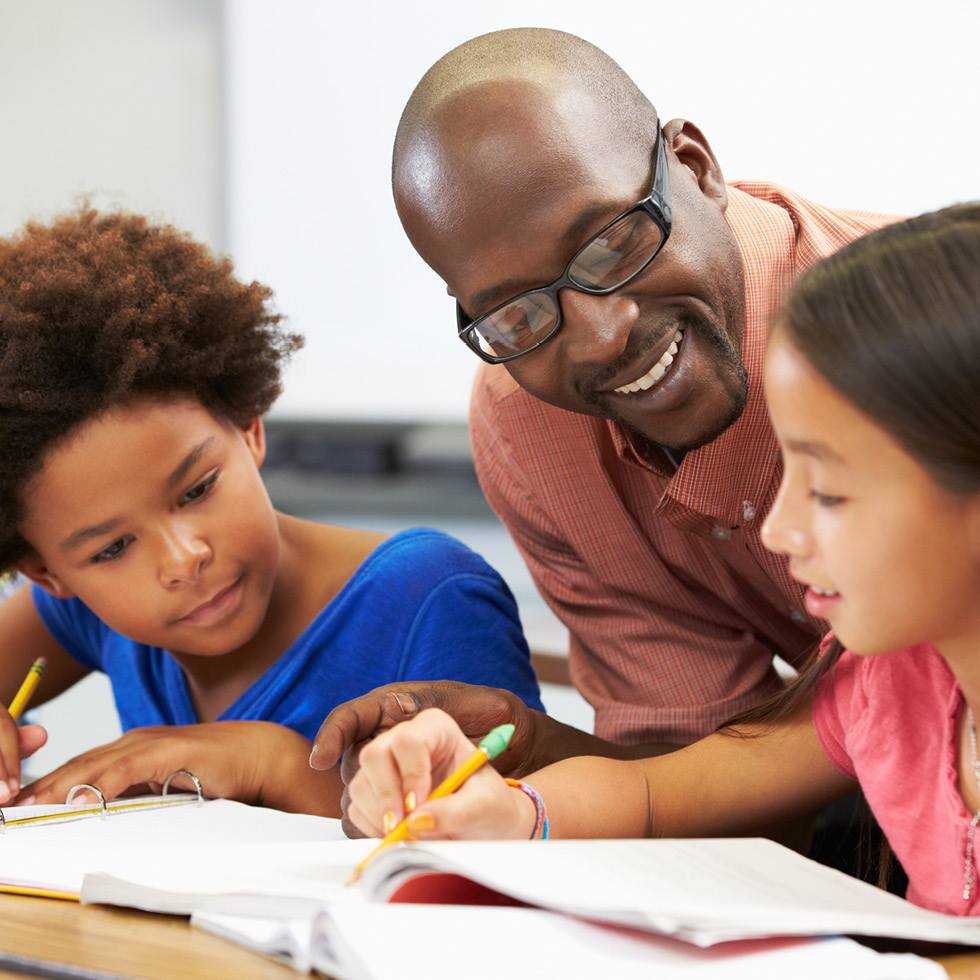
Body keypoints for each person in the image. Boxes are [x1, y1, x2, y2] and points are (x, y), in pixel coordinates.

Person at [345, 202, 980, 915]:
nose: (777, 530)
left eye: (828, 491)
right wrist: (513, 813)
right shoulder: (896, 683)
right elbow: (654, 794)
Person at [311, 27, 898, 777]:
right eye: (518, 313)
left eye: (613, 244)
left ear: (697, 169)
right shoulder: (528, 431)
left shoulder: (933, 335)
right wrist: (533, 749)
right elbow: (703, 780)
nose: (600, 338)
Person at [0, 206, 543, 815]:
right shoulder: (87, 610)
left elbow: (507, 829)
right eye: (112, 549)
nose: (185, 559)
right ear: (51, 573)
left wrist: (271, 762)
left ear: (248, 426)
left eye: (197, 489)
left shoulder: (430, 600)